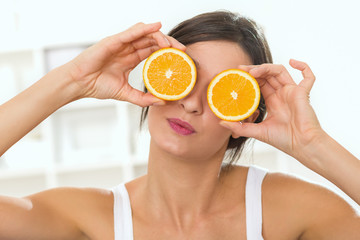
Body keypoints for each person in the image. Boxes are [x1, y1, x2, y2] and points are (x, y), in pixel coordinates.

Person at [0, 10, 359, 240]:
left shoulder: (289, 211)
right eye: (182, 78)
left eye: (223, 91)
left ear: (244, 117)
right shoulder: (90, 218)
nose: (190, 103)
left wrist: (313, 144)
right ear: (154, 81)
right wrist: (70, 81)